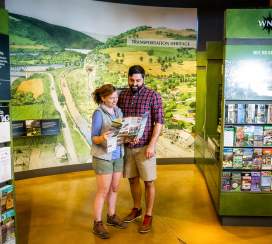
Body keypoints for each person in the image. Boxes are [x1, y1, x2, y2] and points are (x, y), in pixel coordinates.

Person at [118, 65, 164, 233]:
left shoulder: (153, 96)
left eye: (138, 80)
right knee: (132, 179)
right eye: (132, 80)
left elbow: (159, 122)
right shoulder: (122, 95)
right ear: (128, 78)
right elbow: (119, 119)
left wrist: (152, 145)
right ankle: (136, 209)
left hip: (145, 147)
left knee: (149, 181)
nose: (134, 83)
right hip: (128, 146)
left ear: (144, 79)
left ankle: (148, 214)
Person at [91, 84, 127, 239]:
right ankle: (97, 223)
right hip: (103, 157)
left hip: (118, 153)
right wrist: (102, 137)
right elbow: (93, 138)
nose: (115, 100)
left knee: (114, 187)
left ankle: (111, 216)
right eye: (112, 98)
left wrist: (130, 135)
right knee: (103, 191)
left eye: (116, 97)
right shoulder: (98, 113)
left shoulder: (118, 111)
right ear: (103, 98)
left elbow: (120, 132)